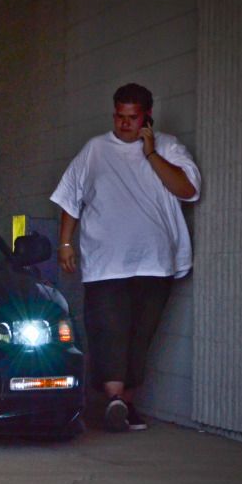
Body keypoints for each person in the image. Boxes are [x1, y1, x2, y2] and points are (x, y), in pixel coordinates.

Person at [50, 84, 201, 432]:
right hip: (106, 263)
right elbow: (70, 198)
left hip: (156, 261)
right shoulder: (96, 150)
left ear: (147, 116)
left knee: (140, 335)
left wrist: (151, 154)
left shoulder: (169, 147)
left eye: (132, 118)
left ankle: (126, 405)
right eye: (119, 116)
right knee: (109, 331)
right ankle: (115, 400)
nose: (124, 124)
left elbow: (188, 190)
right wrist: (65, 244)